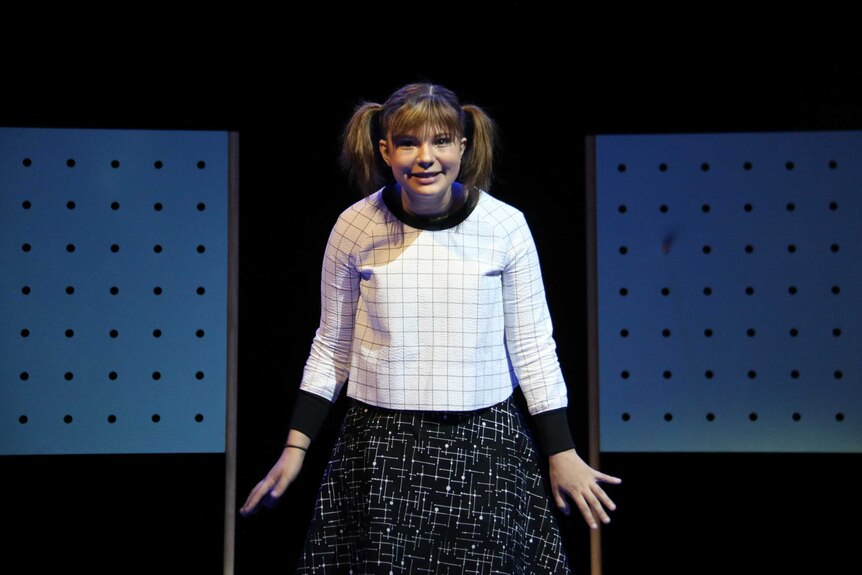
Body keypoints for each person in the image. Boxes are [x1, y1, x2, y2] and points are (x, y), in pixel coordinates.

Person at [240, 82, 621, 574]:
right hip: (379, 446)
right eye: (408, 143)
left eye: (441, 141)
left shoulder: (505, 227)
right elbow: (332, 344)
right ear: (385, 150)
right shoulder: (355, 226)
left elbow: (532, 345)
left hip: (484, 443)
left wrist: (561, 450)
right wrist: (296, 447)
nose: (426, 157)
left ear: (462, 146)